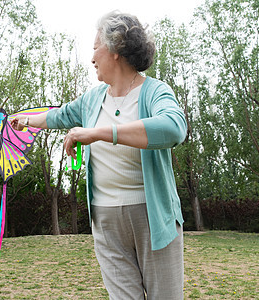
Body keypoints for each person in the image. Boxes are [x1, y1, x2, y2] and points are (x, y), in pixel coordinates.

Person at [11, 11, 187, 300]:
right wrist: (25, 120)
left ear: (115, 48)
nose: (91, 57)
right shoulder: (93, 98)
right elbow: (60, 115)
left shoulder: (154, 92)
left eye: (95, 47)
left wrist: (100, 133)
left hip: (153, 214)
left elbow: (173, 129)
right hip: (105, 216)